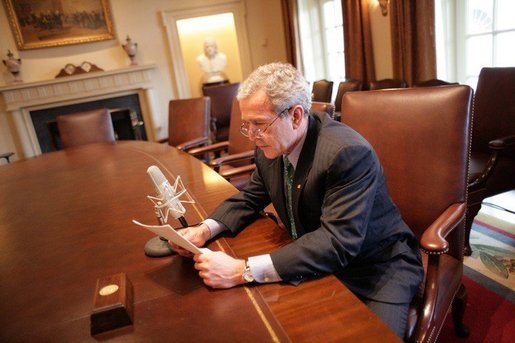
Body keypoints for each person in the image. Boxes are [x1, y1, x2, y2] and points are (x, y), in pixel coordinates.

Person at [171, 62, 424, 338]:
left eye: (259, 124)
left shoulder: (346, 153)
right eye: (247, 125)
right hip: (318, 260)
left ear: (296, 115)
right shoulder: (272, 146)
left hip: (376, 267)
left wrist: (242, 270)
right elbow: (249, 197)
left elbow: (336, 243)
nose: (252, 137)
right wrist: (203, 229)